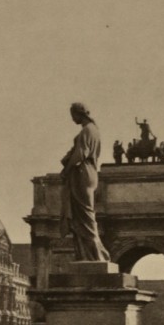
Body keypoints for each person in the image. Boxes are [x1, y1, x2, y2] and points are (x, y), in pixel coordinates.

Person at [60, 102, 110, 261]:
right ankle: (87, 255)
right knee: (84, 215)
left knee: (85, 216)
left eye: (72, 115)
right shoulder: (94, 130)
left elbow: (81, 154)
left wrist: (66, 170)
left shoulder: (87, 130)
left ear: (78, 113)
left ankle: (97, 256)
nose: (71, 118)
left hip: (82, 173)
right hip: (90, 172)